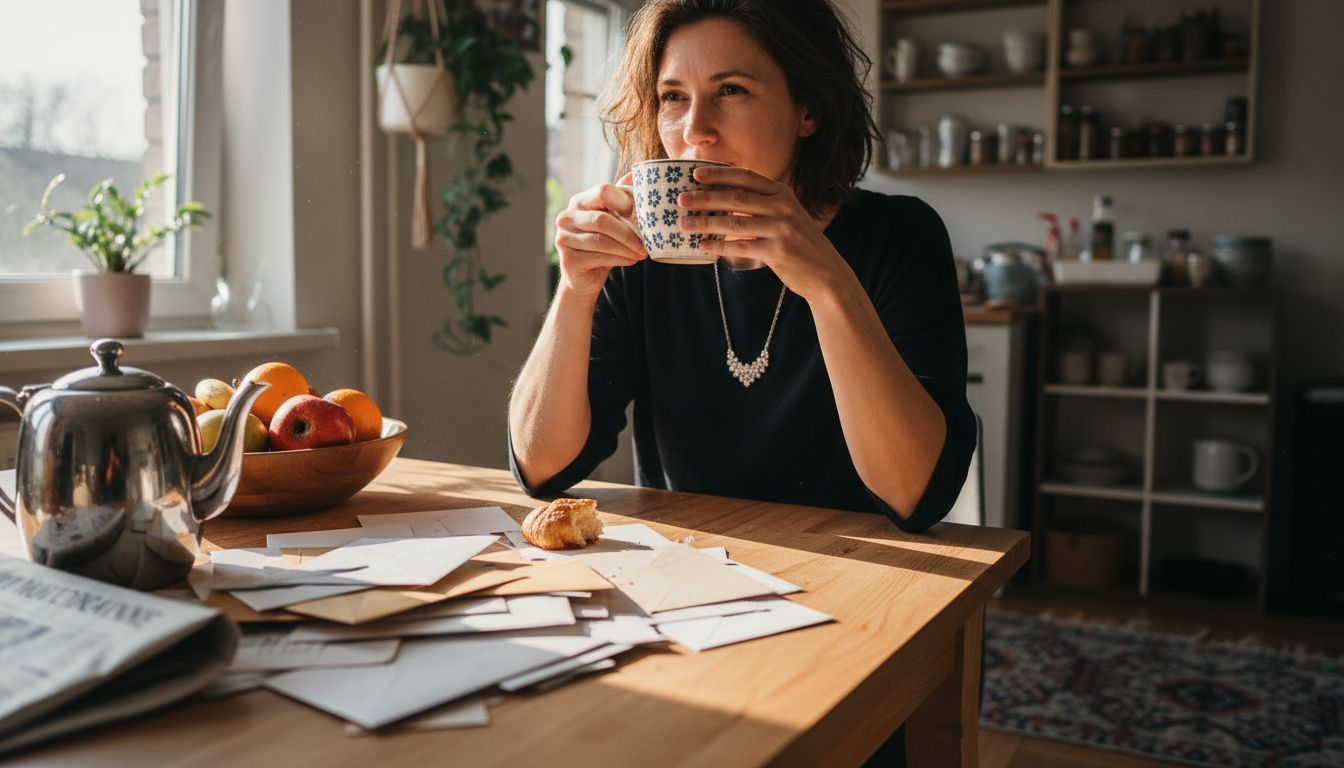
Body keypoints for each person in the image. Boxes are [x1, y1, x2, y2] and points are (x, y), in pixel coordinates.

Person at [511, 2, 974, 760]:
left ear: (808, 111)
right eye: (672, 96)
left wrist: (828, 282)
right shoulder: (644, 261)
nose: (694, 129)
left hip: (863, 610)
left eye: (731, 89)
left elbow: (916, 495)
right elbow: (542, 467)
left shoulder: (899, 238)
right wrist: (575, 289)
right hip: (685, 607)